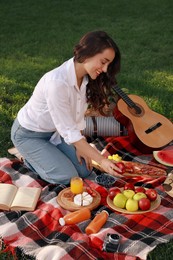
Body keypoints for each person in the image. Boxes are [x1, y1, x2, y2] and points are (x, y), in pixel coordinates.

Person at [11, 30, 122, 185]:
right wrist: (102, 161)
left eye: (108, 65)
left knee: (85, 170)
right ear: (89, 53)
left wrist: (81, 145)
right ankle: (31, 159)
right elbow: (69, 131)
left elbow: (76, 121)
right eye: (103, 62)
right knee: (68, 177)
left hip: (55, 133)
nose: (104, 69)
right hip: (29, 135)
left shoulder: (83, 79)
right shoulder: (57, 83)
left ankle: (49, 155)